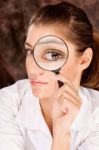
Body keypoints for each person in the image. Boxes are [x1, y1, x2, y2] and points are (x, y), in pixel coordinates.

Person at [0, 1, 99, 150]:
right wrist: (61, 134)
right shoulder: (7, 102)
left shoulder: (96, 114)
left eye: (52, 55)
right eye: (31, 52)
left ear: (84, 60)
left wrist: (62, 132)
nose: (33, 69)